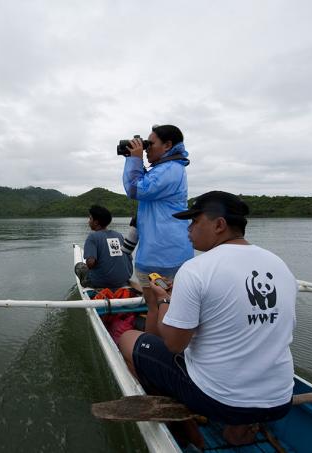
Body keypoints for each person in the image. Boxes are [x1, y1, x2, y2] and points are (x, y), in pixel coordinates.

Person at [118, 191, 297, 445]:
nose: (188, 229)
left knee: (127, 338)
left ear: (219, 225)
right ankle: (238, 430)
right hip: (280, 399)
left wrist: (163, 299)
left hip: (220, 401)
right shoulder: (279, 264)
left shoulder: (196, 269)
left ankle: (176, 420)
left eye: (194, 221)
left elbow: (173, 344)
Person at [122, 124, 194, 335]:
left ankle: (153, 353)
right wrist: (136, 160)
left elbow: (135, 188)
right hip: (171, 254)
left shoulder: (170, 170)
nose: (146, 148)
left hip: (160, 258)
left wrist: (134, 159)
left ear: (168, 145)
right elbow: (144, 184)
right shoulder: (171, 169)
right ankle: (174, 348)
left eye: (150, 144)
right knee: (171, 305)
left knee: (155, 307)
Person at [75, 205, 134, 289]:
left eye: (90, 219)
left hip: (101, 282)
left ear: (96, 222)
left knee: (79, 266)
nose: (88, 221)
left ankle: (91, 286)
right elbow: (129, 258)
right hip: (123, 279)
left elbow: (90, 263)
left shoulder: (92, 237)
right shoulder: (119, 235)